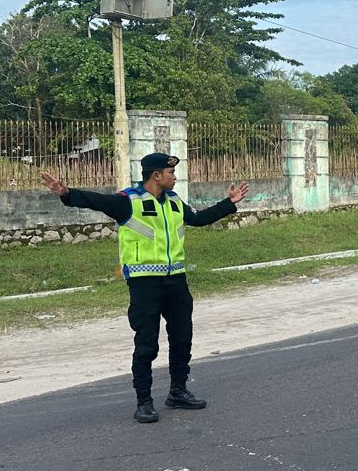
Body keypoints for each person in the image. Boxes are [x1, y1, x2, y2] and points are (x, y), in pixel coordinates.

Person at [41, 153, 250, 423]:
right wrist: (67, 193)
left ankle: (178, 391)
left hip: (176, 280)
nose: (175, 177)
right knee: (146, 345)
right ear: (156, 176)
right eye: (170, 173)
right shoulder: (129, 201)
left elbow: (198, 219)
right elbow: (97, 200)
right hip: (144, 284)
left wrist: (228, 204)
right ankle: (144, 401)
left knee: (182, 338)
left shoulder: (174, 202)